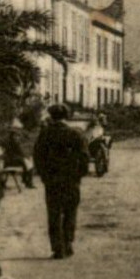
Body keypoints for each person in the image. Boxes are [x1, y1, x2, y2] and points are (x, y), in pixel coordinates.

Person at [33, 103, 89, 259]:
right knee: (70, 211)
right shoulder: (76, 134)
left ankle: (58, 248)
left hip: (52, 180)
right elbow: (84, 157)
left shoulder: (45, 134)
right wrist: (79, 175)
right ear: (67, 116)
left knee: (54, 213)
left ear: (51, 116)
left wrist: (44, 176)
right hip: (71, 180)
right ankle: (68, 244)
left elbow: (38, 157)